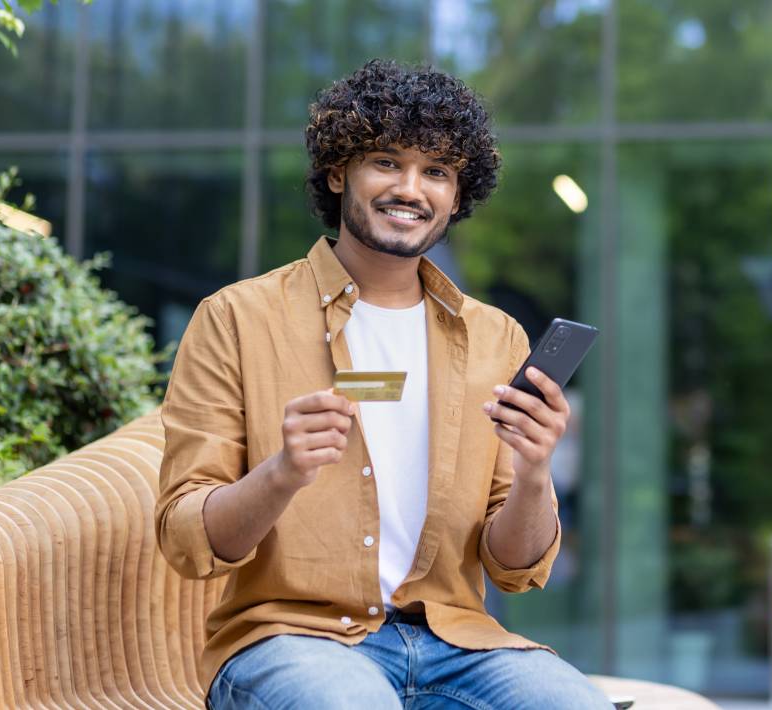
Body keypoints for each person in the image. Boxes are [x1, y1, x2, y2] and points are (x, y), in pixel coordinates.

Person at [155, 59, 612, 709]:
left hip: (457, 643)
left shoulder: (496, 337)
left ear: (457, 196)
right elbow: (184, 540)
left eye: (436, 172)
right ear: (339, 171)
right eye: (387, 162)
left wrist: (537, 469)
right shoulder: (236, 318)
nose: (411, 188)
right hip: (294, 640)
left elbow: (514, 568)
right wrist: (282, 473)